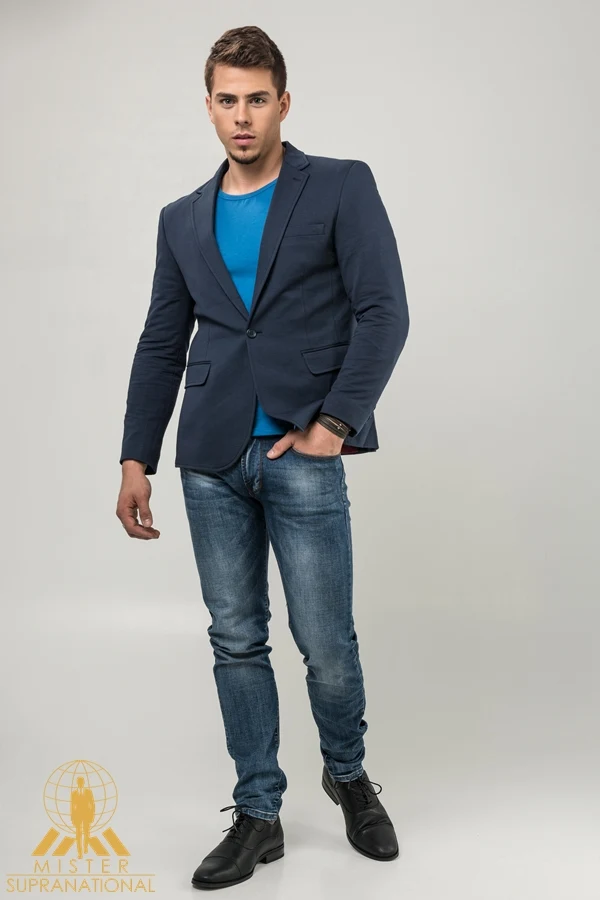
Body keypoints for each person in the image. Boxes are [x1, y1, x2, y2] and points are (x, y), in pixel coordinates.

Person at [116, 24, 409, 891]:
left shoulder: (341, 186)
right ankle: (258, 811)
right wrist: (136, 458)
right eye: (226, 100)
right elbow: (161, 341)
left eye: (255, 99)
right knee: (236, 640)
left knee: (326, 642)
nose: (241, 116)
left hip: (301, 450)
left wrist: (334, 424)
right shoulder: (181, 219)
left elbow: (384, 310)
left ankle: (348, 776)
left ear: (283, 102)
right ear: (208, 107)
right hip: (210, 457)